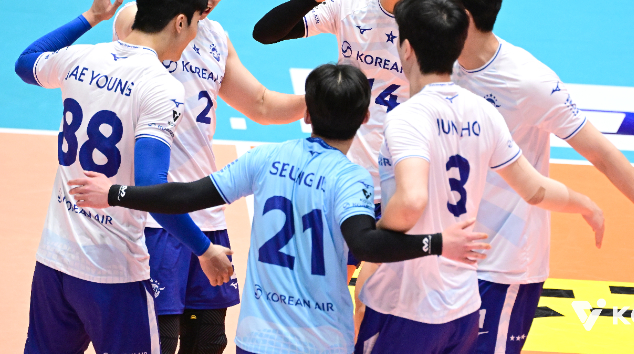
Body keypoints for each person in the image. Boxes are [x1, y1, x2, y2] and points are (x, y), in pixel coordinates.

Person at [69, 63, 489, 354]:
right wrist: (438, 243)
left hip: (259, 341)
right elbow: (366, 243)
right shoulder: (352, 180)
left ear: (307, 115)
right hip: (322, 343)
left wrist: (115, 193)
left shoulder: (265, 157)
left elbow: (185, 196)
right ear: (365, 117)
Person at [427, 0, 634, 353]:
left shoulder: (528, 82)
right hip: (444, 251)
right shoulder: (437, 61)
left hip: (501, 264)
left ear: (462, 14)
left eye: (434, 1)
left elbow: (601, 153)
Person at [355, 0, 605, 353]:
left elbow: (411, 201)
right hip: (463, 309)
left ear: (406, 49)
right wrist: (586, 204)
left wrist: (372, 248)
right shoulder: (484, 112)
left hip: (405, 305)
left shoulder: (406, 117)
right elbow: (534, 190)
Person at [112, 0, 307, 353]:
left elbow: (259, 104)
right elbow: (143, 19)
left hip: (205, 212)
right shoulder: (138, 21)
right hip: (154, 217)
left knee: (209, 340)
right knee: (157, 341)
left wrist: (314, 102)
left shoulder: (215, 37)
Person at [15, 0, 234, 354]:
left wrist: (90, 17)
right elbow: (152, 190)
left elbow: (26, 62)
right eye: (196, 23)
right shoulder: (161, 87)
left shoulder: (81, 57)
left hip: (54, 261)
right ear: (180, 22)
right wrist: (204, 249)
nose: (196, 35)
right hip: (113, 272)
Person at [252, 0, 439, 320]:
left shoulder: (436, 22)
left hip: (401, 184)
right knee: (318, 301)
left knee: (375, 309)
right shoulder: (351, 4)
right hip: (341, 177)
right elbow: (264, 33)